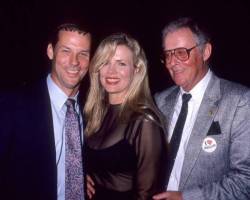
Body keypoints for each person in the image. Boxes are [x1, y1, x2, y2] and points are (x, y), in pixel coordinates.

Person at [153, 17, 250, 200]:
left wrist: (186, 197)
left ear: (205, 51)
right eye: (167, 54)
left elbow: (245, 180)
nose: (171, 63)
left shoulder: (239, 101)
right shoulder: (160, 100)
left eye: (181, 52)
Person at [0, 23, 92, 200]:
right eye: (66, 51)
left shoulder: (92, 108)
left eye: (83, 54)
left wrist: (83, 173)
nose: (74, 62)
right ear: (51, 51)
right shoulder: (12, 105)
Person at [84, 33, 168, 200]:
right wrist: (81, 175)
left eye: (121, 63)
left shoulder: (144, 122)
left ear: (136, 70)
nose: (111, 71)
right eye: (105, 62)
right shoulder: (92, 113)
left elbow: (146, 194)